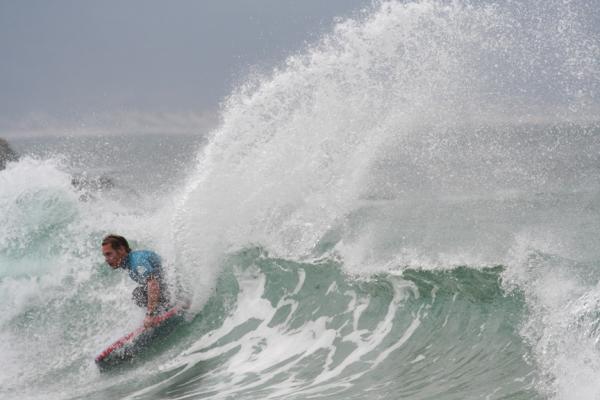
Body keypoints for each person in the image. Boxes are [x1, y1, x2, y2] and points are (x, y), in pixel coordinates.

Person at [101, 234, 171, 328]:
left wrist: (150, 315)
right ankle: (162, 311)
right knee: (138, 294)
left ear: (121, 249)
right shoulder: (130, 262)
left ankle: (160, 313)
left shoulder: (137, 262)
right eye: (105, 255)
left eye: (109, 254)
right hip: (167, 286)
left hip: (173, 287)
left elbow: (153, 284)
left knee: (138, 294)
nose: (106, 259)